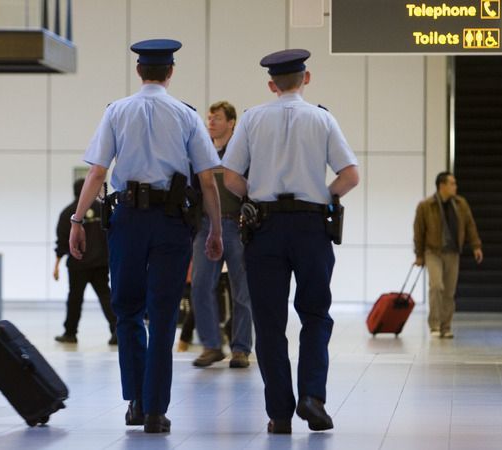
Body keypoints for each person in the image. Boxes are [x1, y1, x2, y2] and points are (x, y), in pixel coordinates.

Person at [68, 39, 223, 433]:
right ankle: (156, 410)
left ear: (139, 72)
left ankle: (136, 401)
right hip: (173, 223)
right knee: (165, 313)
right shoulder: (187, 116)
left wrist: (76, 220)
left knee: (128, 311)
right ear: (170, 73)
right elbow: (207, 179)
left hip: (128, 222)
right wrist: (216, 230)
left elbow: (98, 172)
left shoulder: (117, 112)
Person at [222, 49, 359, 434]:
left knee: (269, 322)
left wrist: (254, 195)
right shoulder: (322, 119)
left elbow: (230, 176)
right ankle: (312, 397)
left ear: (271, 84)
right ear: (307, 79)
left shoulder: (251, 119)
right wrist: (324, 194)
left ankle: (279, 414)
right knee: (315, 314)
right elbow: (350, 175)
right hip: (311, 227)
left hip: (263, 229)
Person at [191, 101, 253, 369]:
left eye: (216, 118)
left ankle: (240, 349)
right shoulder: (202, 152)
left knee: (242, 290)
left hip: (235, 225)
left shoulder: (240, 153)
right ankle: (211, 345)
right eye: (209, 118)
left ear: (231, 123)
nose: (211, 123)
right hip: (205, 226)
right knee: (201, 286)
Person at [413, 171, 483, 339]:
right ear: (442, 185)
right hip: (433, 251)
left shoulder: (460, 204)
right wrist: (419, 255)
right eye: (452, 183)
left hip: (453, 252)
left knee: (449, 292)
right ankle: (435, 325)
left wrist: (476, 246)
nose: (455, 186)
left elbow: (470, 226)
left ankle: (446, 327)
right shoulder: (426, 206)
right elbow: (419, 231)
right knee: (437, 286)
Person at [53, 178, 117, 345]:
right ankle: (117, 330)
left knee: (75, 299)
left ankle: (70, 333)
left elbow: (61, 241)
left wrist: (57, 264)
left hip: (77, 264)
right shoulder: (101, 209)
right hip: (101, 263)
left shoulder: (68, 213)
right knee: (105, 296)